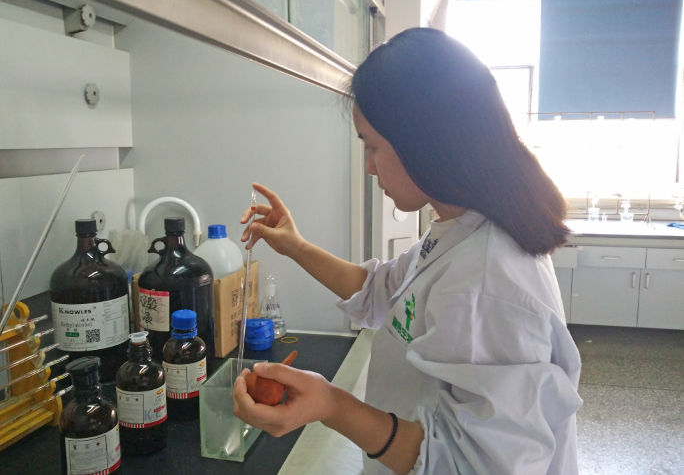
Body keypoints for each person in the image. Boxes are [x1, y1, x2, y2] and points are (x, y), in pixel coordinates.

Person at [232, 28, 583, 475]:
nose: (368, 166)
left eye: (372, 146)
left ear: (424, 141)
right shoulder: (460, 227)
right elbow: (385, 291)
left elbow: (473, 465)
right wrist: (295, 247)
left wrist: (331, 405)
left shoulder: (486, 278)